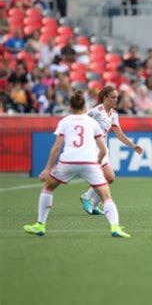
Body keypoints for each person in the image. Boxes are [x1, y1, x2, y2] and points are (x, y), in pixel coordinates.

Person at [23, 91, 130, 238]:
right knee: (106, 196)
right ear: (84, 106)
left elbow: (56, 147)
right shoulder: (92, 122)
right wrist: (98, 161)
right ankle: (115, 227)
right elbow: (103, 148)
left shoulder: (65, 121)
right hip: (89, 160)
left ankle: (40, 225)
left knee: (48, 187)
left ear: (71, 107)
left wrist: (47, 168)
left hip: (68, 160)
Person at [79, 85, 143, 215]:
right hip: (93, 148)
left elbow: (120, 135)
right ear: (105, 98)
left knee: (110, 178)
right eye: (113, 97)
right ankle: (86, 196)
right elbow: (80, 123)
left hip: (104, 149)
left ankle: (93, 205)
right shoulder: (96, 111)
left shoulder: (114, 114)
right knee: (108, 176)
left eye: (117, 98)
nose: (115, 100)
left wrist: (133, 145)